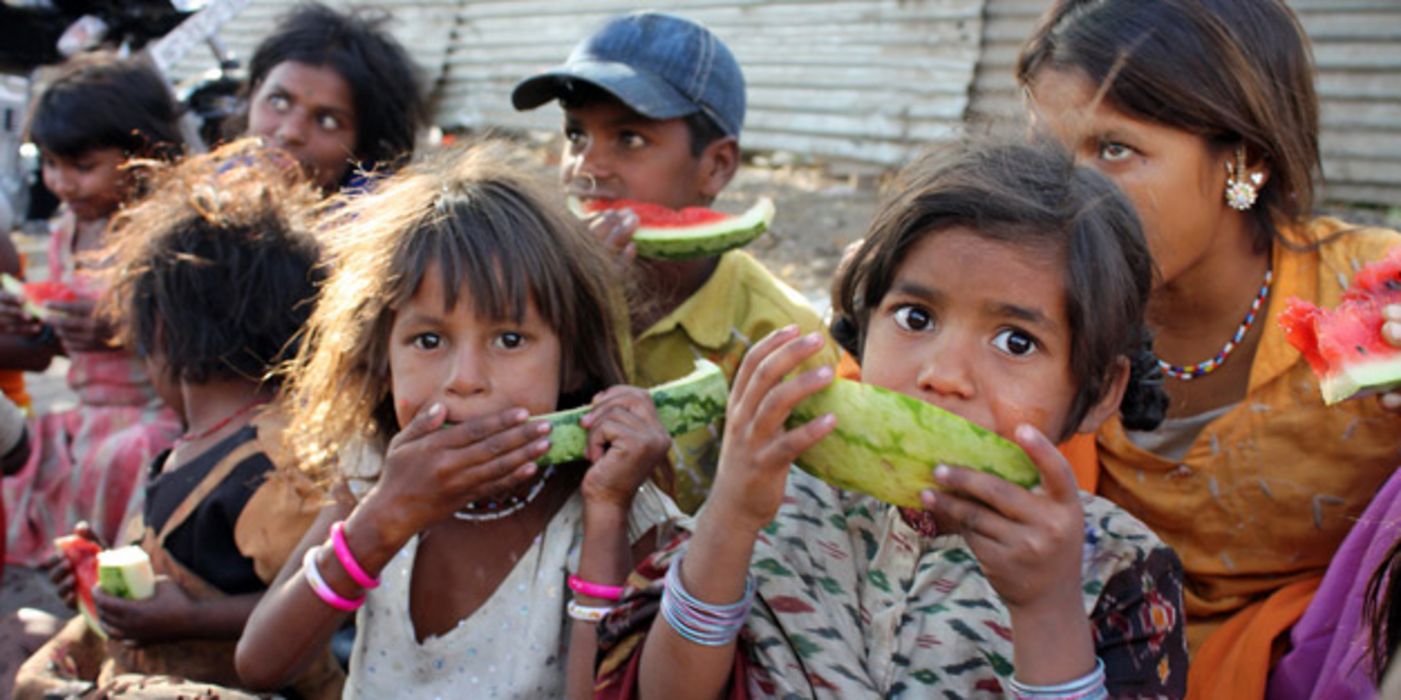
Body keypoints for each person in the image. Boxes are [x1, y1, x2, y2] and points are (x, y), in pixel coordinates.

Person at [594, 140, 1187, 698]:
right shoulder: (778, 503)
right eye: (915, 318)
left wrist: (1046, 609)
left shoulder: (1120, 567)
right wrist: (729, 517)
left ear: (1100, 389)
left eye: (1015, 341)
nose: (943, 373)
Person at [1016, 0, 1401, 695]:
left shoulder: (1371, 301)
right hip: (1084, 648)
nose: (1061, 197)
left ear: (1243, 161)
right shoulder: (1029, 297)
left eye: (1113, 149)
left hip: (1321, 660)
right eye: (1046, 151)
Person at [234, 142, 684, 699]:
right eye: (429, 340)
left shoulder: (616, 508)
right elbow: (260, 664)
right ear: (382, 358)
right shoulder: (376, 472)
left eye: (510, 339)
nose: (464, 378)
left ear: (571, 361)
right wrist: (382, 521)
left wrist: (607, 519)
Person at [10, 140, 340, 699]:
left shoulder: (277, 463)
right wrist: (103, 582)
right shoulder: (189, 445)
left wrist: (189, 619)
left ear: (159, 328)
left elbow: (322, 603)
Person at [512, 12, 839, 513]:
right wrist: (568, 303)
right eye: (576, 135)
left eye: (630, 139)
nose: (587, 167)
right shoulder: (527, 289)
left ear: (716, 166)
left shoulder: (779, 338)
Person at [1, 53, 184, 567]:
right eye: (53, 165)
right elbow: (56, 343)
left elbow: (199, 337)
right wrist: (34, 325)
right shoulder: (64, 230)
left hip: (152, 410)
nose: (64, 184)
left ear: (144, 153)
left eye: (84, 168)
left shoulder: (158, 233)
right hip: (87, 412)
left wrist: (130, 326)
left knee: (121, 458)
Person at [234, 1, 427, 192]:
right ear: (255, 93)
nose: (291, 132)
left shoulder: (379, 219)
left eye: (327, 122)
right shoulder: (211, 194)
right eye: (278, 101)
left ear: (363, 148)